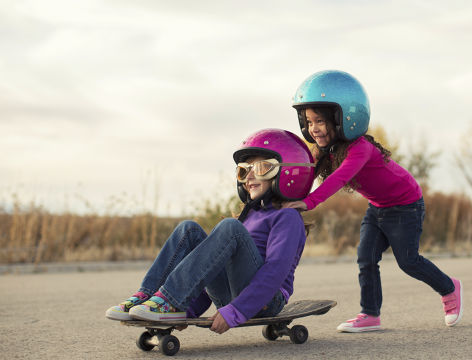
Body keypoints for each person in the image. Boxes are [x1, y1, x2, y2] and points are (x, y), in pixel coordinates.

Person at [284, 70, 463, 332]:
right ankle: (370, 315)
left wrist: (308, 203)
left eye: (320, 121)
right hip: (378, 207)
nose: (314, 128)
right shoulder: (326, 151)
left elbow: (339, 179)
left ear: (343, 118)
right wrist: (285, 198)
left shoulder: (361, 149)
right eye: (309, 122)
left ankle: (450, 288)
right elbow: (306, 173)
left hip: (405, 204)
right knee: (365, 258)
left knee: (408, 261)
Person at [105, 128, 316, 334]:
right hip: (234, 293)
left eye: (260, 168)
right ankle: (149, 296)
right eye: (244, 170)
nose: (249, 177)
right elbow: (213, 269)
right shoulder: (250, 214)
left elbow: (274, 273)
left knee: (229, 228)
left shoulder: (287, 217)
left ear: (288, 171)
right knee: (188, 229)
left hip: (267, 301)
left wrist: (236, 311)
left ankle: (169, 300)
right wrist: (187, 310)